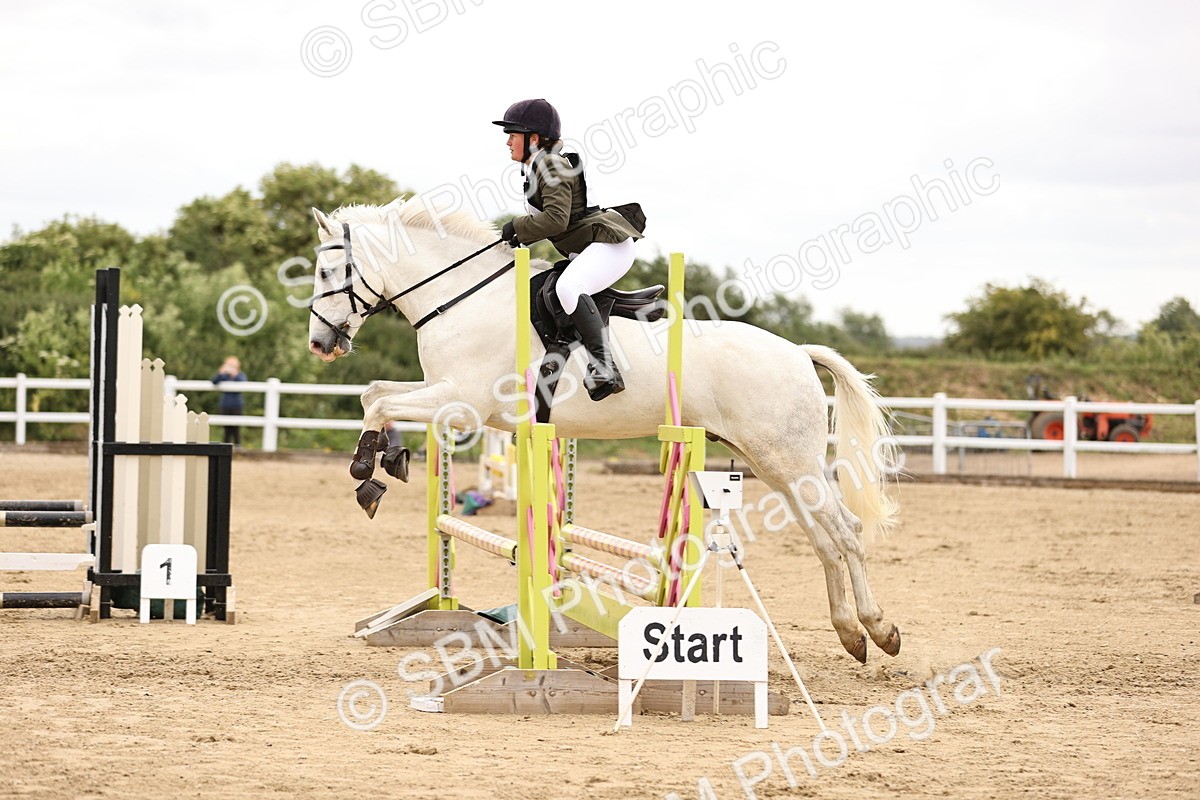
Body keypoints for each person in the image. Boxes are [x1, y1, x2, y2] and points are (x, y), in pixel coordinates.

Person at [493, 98, 644, 401]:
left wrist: (518, 227)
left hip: (608, 245)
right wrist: (516, 234)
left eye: (513, 134)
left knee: (568, 287)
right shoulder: (539, 165)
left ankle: (605, 368)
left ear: (533, 139)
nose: (508, 142)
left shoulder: (550, 164)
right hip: (590, 247)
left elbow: (556, 220)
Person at [211, 356, 247, 446]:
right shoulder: (224, 376)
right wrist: (221, 372)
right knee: (226, 427)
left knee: (236, 427)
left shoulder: (240, 375)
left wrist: (235, 375)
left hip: (237, 404)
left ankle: (237, 444)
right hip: (225, 404)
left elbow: (243, 383)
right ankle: (225, 444)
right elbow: (214, 381)